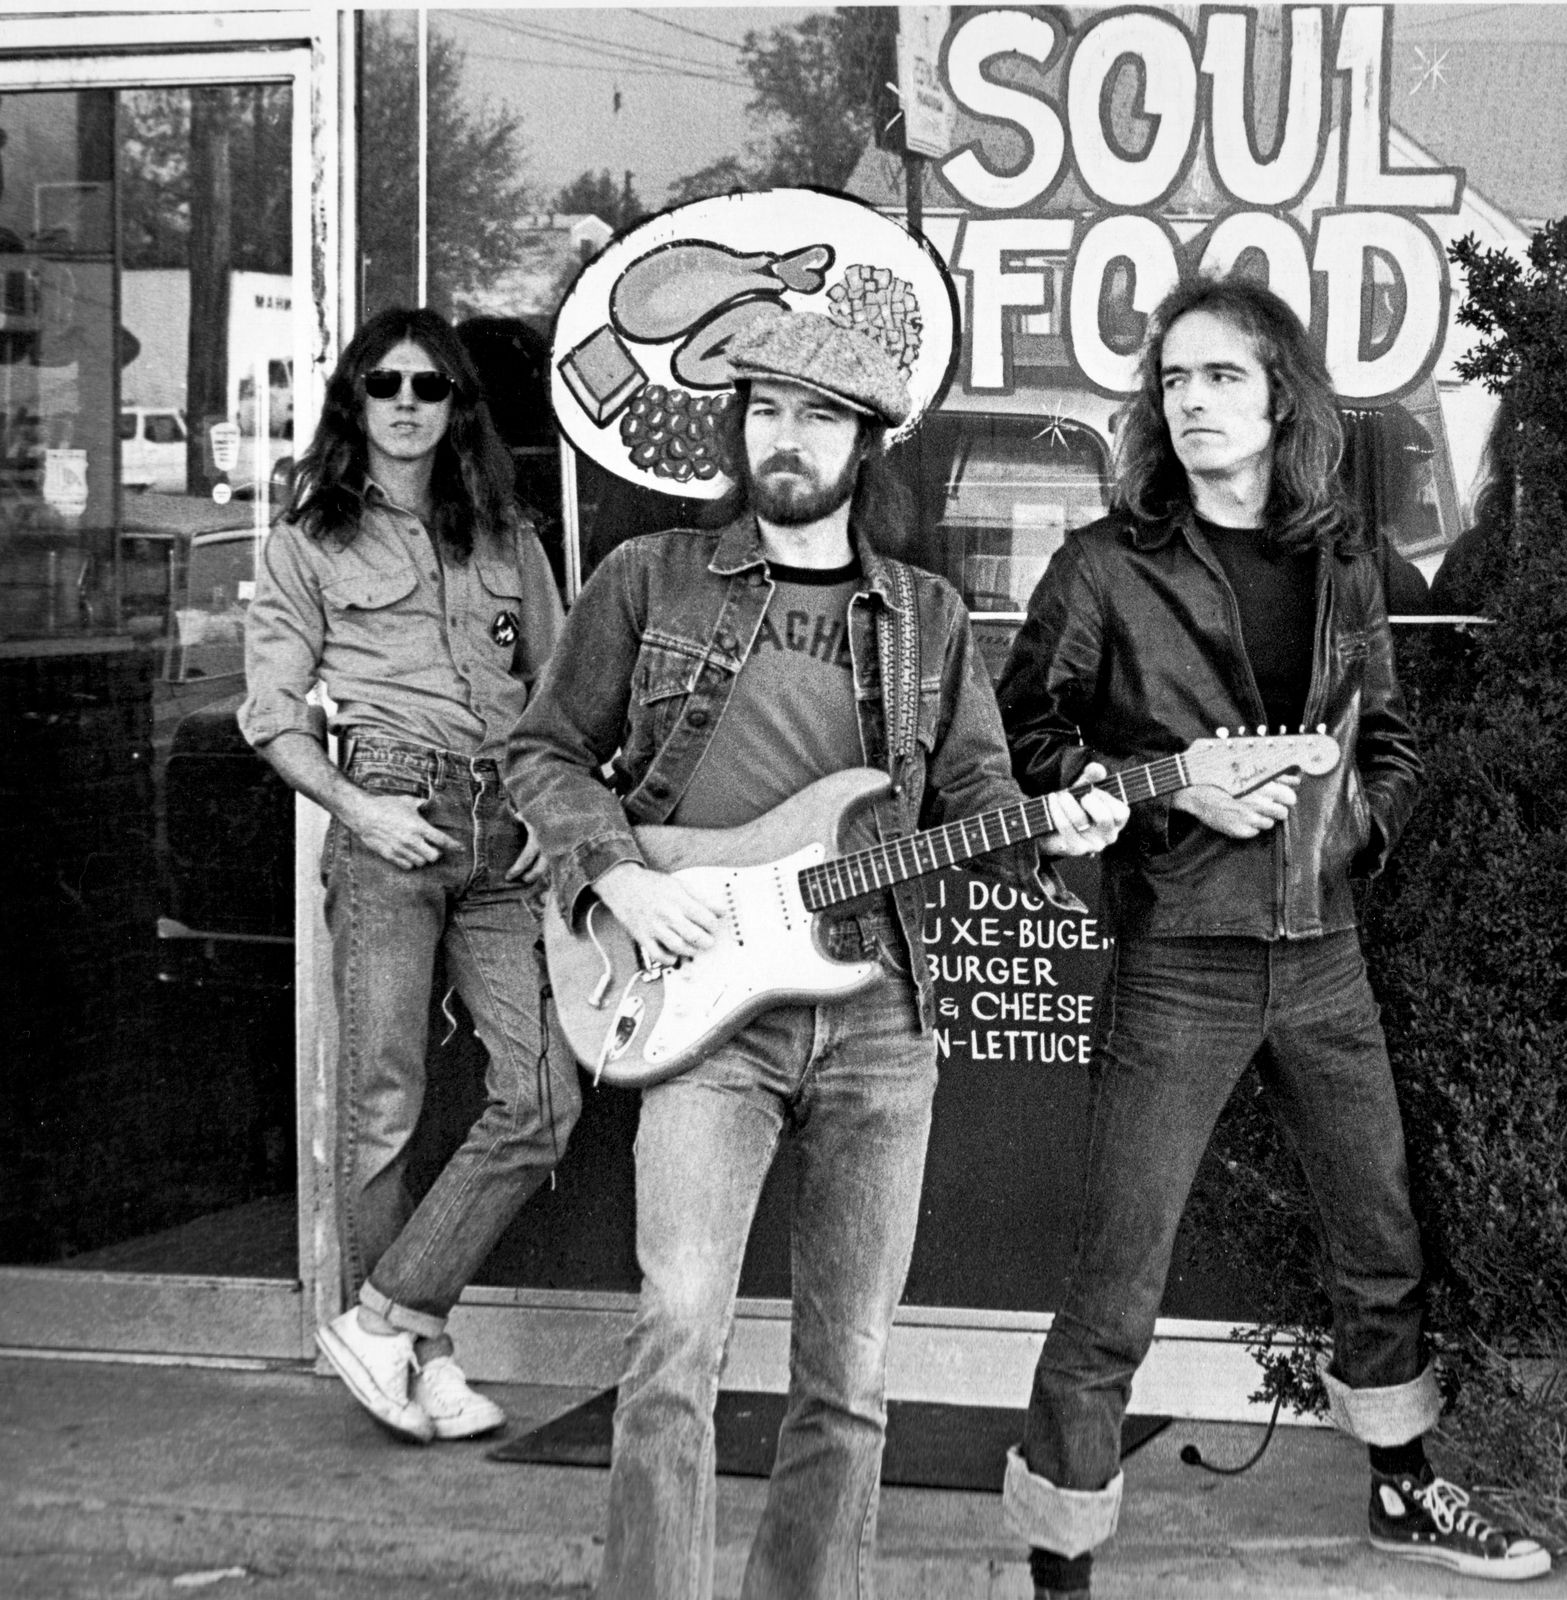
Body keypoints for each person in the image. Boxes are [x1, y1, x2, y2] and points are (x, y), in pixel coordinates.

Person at [509, 313, 1128, 1600]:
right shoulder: (651, 577)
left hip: (879, 1015)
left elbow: (972, 802)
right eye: (767, 409)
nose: (786, 437)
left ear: (865, 445)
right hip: (702, 1013)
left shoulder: (925, 615)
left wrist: (1051, 828)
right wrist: (619, 874)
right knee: (675, 1340)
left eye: (819, 415)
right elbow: (544, 751)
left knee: (847, 1373)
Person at [993, 275, 1552, 1593]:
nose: (1191, 400)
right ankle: (1057, 1554)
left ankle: (1403, 1490)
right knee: (1115, 1278)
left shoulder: (1339, 557)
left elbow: (1388, 741)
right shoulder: (1103, 565)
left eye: (1221, 376)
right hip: (1177, 959)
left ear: (1279, 398)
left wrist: (1336, 832)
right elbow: (1021, 739)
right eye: (1173, 380)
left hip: (1321, 955)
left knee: (1377, 1241)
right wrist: (1166, 792)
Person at [240, 305, 579, 1445]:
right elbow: (272, 716)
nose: (403, 403)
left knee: (543, 1094)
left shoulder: (507, 537)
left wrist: (547, 811)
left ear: (455, 407)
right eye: (382, 384)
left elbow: (560, 694)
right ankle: (422, 1362)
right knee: (383, 1106)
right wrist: (357, 808)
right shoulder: (309, 541)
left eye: (427, 386)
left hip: (502, 828)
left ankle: (384, 1319)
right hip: (390, 811)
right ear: (355, 399)